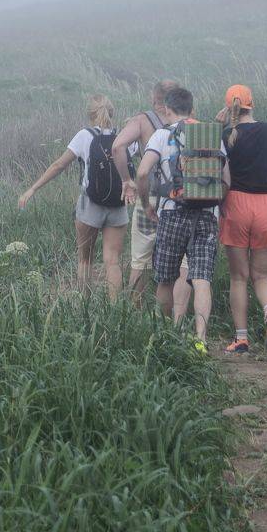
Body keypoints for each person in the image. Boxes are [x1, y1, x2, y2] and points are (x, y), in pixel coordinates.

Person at [133, 86, 220, 354]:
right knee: (201, 278)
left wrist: (147, 205)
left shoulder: (161, 134)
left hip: (171, 212)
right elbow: (226, 180)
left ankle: (164, 336)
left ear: (167, 109)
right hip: (207, 214)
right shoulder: (210, 134)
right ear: (192, 109)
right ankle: (200, 340)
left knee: (165, 278)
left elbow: (142, 173)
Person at [19, 94, 129, 300]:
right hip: (118, 203)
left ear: (90, 114)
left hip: (90, 204)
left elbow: (59, 165)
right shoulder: (123, 136)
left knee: (85, 260)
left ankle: (85, 305)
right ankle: (116, 311)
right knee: (113, 261)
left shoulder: (84, 135)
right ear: (112, 113)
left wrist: (33, 188)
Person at [216, 84, 267, 354]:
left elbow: (215, 168)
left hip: (236, 205)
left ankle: (241, 339)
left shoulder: (226, 134)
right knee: (262, 275)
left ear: (228, 108)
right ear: (252, 104)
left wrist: (219, 127)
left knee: (239, 277)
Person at [113, 80, 192, 311]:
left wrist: (126, 180)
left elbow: (117, 147)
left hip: (149, 198)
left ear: (154, 98)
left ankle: (135, 313)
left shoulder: (141, 121)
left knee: (140, 259)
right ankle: (176, 318)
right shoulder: (188, 122)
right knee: (183, 261)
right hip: (182, 201)